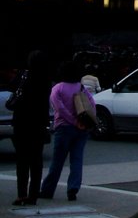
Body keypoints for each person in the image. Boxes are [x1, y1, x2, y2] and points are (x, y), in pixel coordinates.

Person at [40, 60, 96, 202]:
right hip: (81, 128)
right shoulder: (81, 87)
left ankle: (48, 189)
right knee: (76, 160)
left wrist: (72, 120)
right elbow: (92, 103)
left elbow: (59, 108)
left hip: (63, 128)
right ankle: (73, 189)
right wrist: (85, 122)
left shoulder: (57, 88)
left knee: (57, 161)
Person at [9, 50, 52, 207]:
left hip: (22, 121)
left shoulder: (24, 77)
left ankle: (21, 194)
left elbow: (14, 89)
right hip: (38, 123)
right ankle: (33, 195)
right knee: (36, 160)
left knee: (22, 160)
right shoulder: (46, 80)